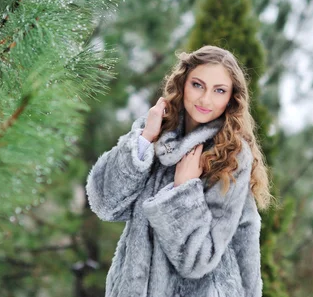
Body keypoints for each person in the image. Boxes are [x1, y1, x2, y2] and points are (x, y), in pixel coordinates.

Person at [85, 45, 271, 297]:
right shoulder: (155, 133)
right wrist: (144, 138)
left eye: (219, 91)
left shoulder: (231, 157)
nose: (205, 99)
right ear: (183, 83)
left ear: (231, 98)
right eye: (198, 85)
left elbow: (198, 261)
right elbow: (105, 204)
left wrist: (182, 192)